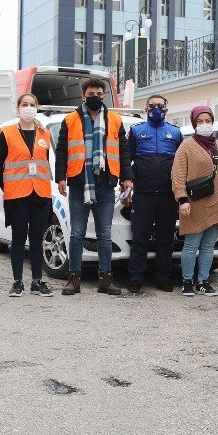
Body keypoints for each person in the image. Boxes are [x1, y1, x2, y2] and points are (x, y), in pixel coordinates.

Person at [55, 77, 133, 296]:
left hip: (106, 184)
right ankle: (74, 280)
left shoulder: (115, 119)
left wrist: (127, 177)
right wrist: (60, 177)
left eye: (100, 94)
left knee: (104, 234)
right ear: (83, 96)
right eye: (91, 94)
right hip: (80, 183)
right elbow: (62, 150)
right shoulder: (70, 120)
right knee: (77, 233)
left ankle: (105, 280)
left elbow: (124, 150)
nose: (96, 98)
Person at [0, 93, 53, 297]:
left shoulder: (44, 133)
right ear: (18, 109)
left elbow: (46, 165)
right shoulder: (6, 133)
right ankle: (17, 282)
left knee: (37, 240)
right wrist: (7, 186)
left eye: (32, 104)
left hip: (40, 194)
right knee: (18, 239)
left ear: (37, 107)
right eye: (24, 104)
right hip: (17, 195)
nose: (28, 107)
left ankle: (37, 281)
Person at [172, 106, 218, 296]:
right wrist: (182, 199)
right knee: (191, 245)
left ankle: (203, 281)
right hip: (193, 203)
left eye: (208, 121)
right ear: (193, 124)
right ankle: (187, 281)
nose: (204, 125)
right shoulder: (186, 146)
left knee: (208, 246)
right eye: (200, 122)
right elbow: (178, 174)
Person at [126, 94, 182, 293]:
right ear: (146, 108)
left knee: (166, 238)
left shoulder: (175, 133)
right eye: (152, 106)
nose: (156, 108)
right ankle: (136, 278)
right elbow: (128, 161)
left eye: (160, 105)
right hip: (143, 193)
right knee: (140, 237)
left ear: (166, 108)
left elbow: (181, 164)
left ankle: (163, 277)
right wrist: (127, 186)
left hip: (168, 194)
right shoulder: (136, 130)